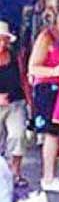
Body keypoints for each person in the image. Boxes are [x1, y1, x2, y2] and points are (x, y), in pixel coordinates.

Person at [27, 8, 59, 193]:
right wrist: (53, 71)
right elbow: (33, 67)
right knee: (52, 133)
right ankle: (48, 177)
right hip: (49, 89)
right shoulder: (46, 37)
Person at [0, 21, 28, 187]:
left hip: (15, 102)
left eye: (4, 39)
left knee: (18, 136)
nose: (2, 43)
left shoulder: (14, 55)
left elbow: (23, 76)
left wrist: (30, 100)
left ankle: (15, 173)